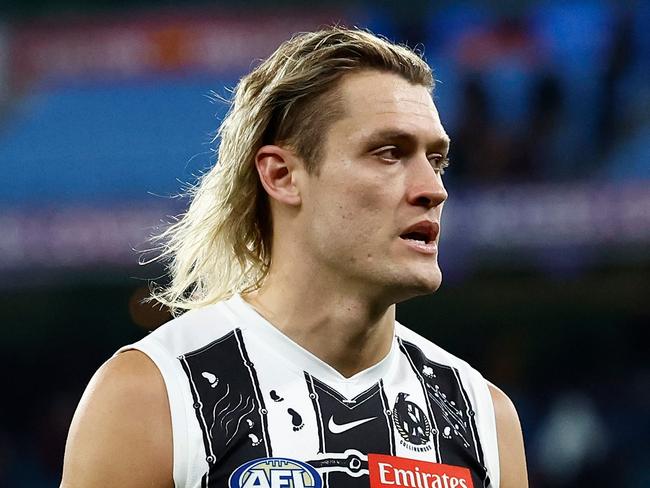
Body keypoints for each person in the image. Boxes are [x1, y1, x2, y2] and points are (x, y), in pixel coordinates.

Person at [60, 27, 527, 488]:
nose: (433, 189)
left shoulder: (483, 415)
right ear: (282, 175)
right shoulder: (153, 394)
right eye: (389, 153)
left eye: (437, 160)